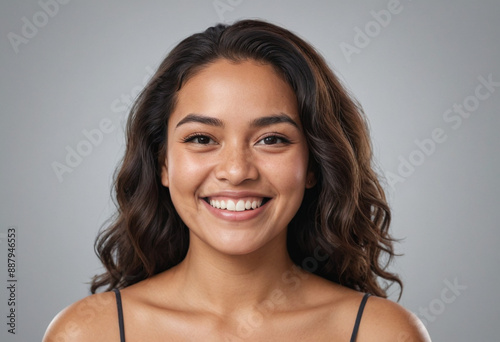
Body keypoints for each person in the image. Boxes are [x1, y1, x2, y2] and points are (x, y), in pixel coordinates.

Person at [43, 19, 431, 341]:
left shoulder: (380, 333)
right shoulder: (89, 332)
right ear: (162, 163)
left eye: (272, 139)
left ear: (314, 164)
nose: (236, 170)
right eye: (201, 139)